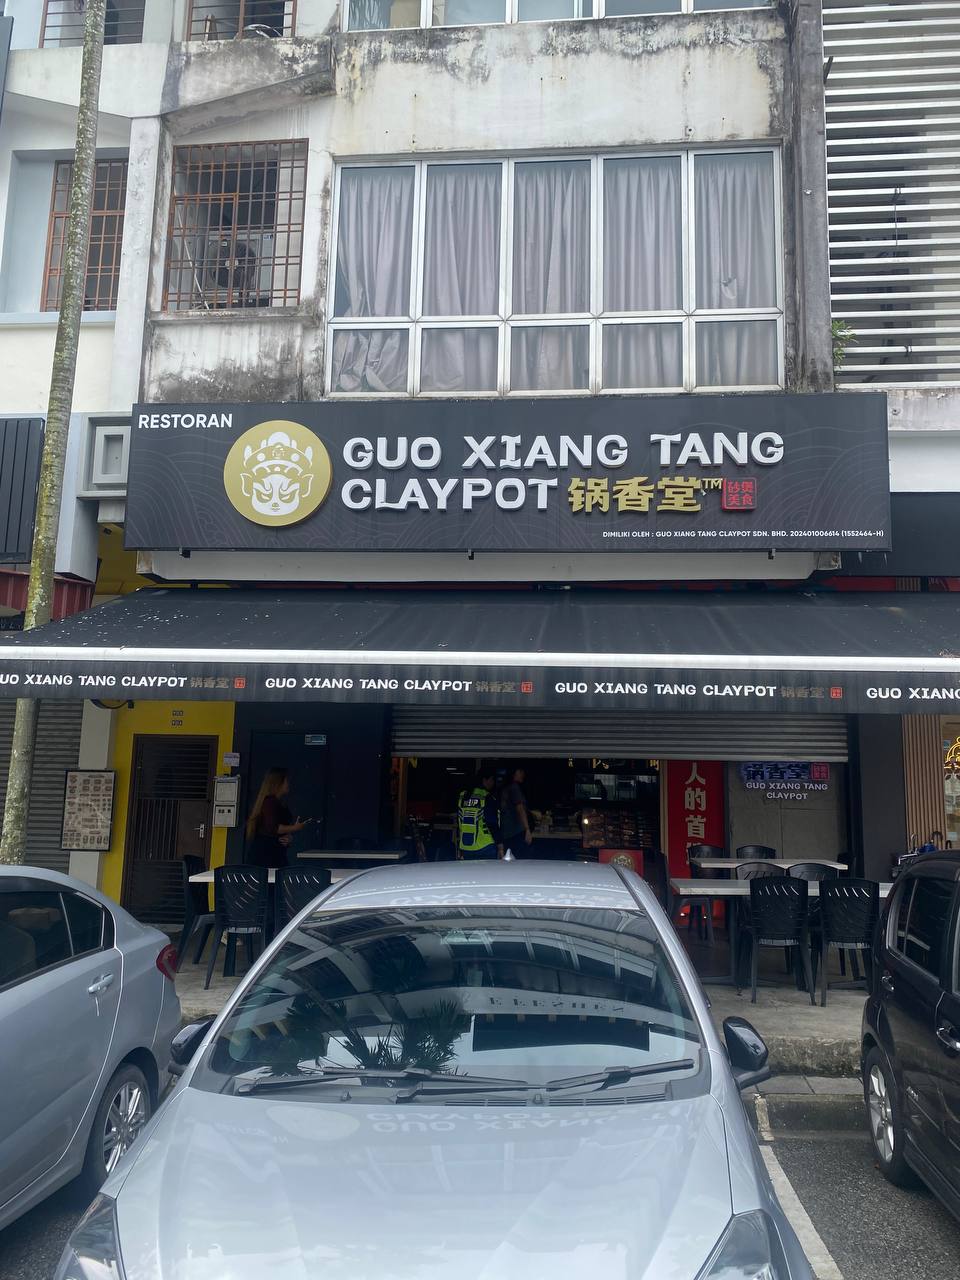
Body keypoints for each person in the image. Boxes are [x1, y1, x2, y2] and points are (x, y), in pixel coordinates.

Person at [245, 767, 309, 869]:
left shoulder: (277, 802)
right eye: (286, 781)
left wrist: (288, 836)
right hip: (266, 855)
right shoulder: (270, 802)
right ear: (278, 783)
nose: (288, 784)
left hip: (274, 852)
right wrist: (295, 828)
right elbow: (273, 828)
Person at [457, 768, 504, 860]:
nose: (493, 783)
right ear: (484, 780)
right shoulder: (486, 797)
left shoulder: (463, 796)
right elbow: (492, 823)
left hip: (466, 847)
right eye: (491, 780)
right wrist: (500, 846)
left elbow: (460, 822)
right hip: (485, 847)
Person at [500, 765, 533, 856]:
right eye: (521, 772)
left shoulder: (505, 788)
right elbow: (520, 809)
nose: (523, 775)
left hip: (507, 832)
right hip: (515, 832)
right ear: (516, 772)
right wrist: (527, 829)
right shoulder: (514, 787)